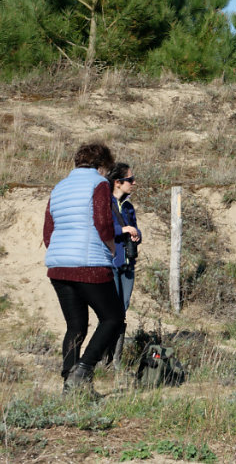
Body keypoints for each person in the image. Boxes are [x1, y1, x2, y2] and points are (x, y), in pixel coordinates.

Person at [42, 142, 125, 392]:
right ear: (102, 166)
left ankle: (69, 380)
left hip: (58, 266)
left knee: (75, 325)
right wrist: (111, 247)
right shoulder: (98, 184)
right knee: (113, 318)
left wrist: (62, 253)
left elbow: (48, 232)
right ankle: (84, 369)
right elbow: (102, 222)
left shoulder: (59, 187)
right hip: (89, 264)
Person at [105, 162, 142, 367]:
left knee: (123, 310)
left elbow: (135, 228)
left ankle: (115, 360)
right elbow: (103, 230)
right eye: (129, 180)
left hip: (128, 264)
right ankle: (105, 357)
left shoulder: (128, 207)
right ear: (117, 183)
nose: (133, 183)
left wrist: (136, 235)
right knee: (111, 311)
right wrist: (123, 231)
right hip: (112, 263)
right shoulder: (105, 204)